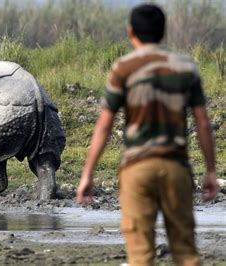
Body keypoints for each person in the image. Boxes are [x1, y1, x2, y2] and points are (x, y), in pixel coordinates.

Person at [76, 4, 218, 266]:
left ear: (131, 32)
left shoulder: (123, 68)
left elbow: (105, 126)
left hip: (137, 169)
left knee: (140, 255)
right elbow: (203, 123)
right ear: (163, 32)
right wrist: (211, 170)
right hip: (176, 168)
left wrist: (88, 174)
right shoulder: (185, 67)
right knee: (186, 252)